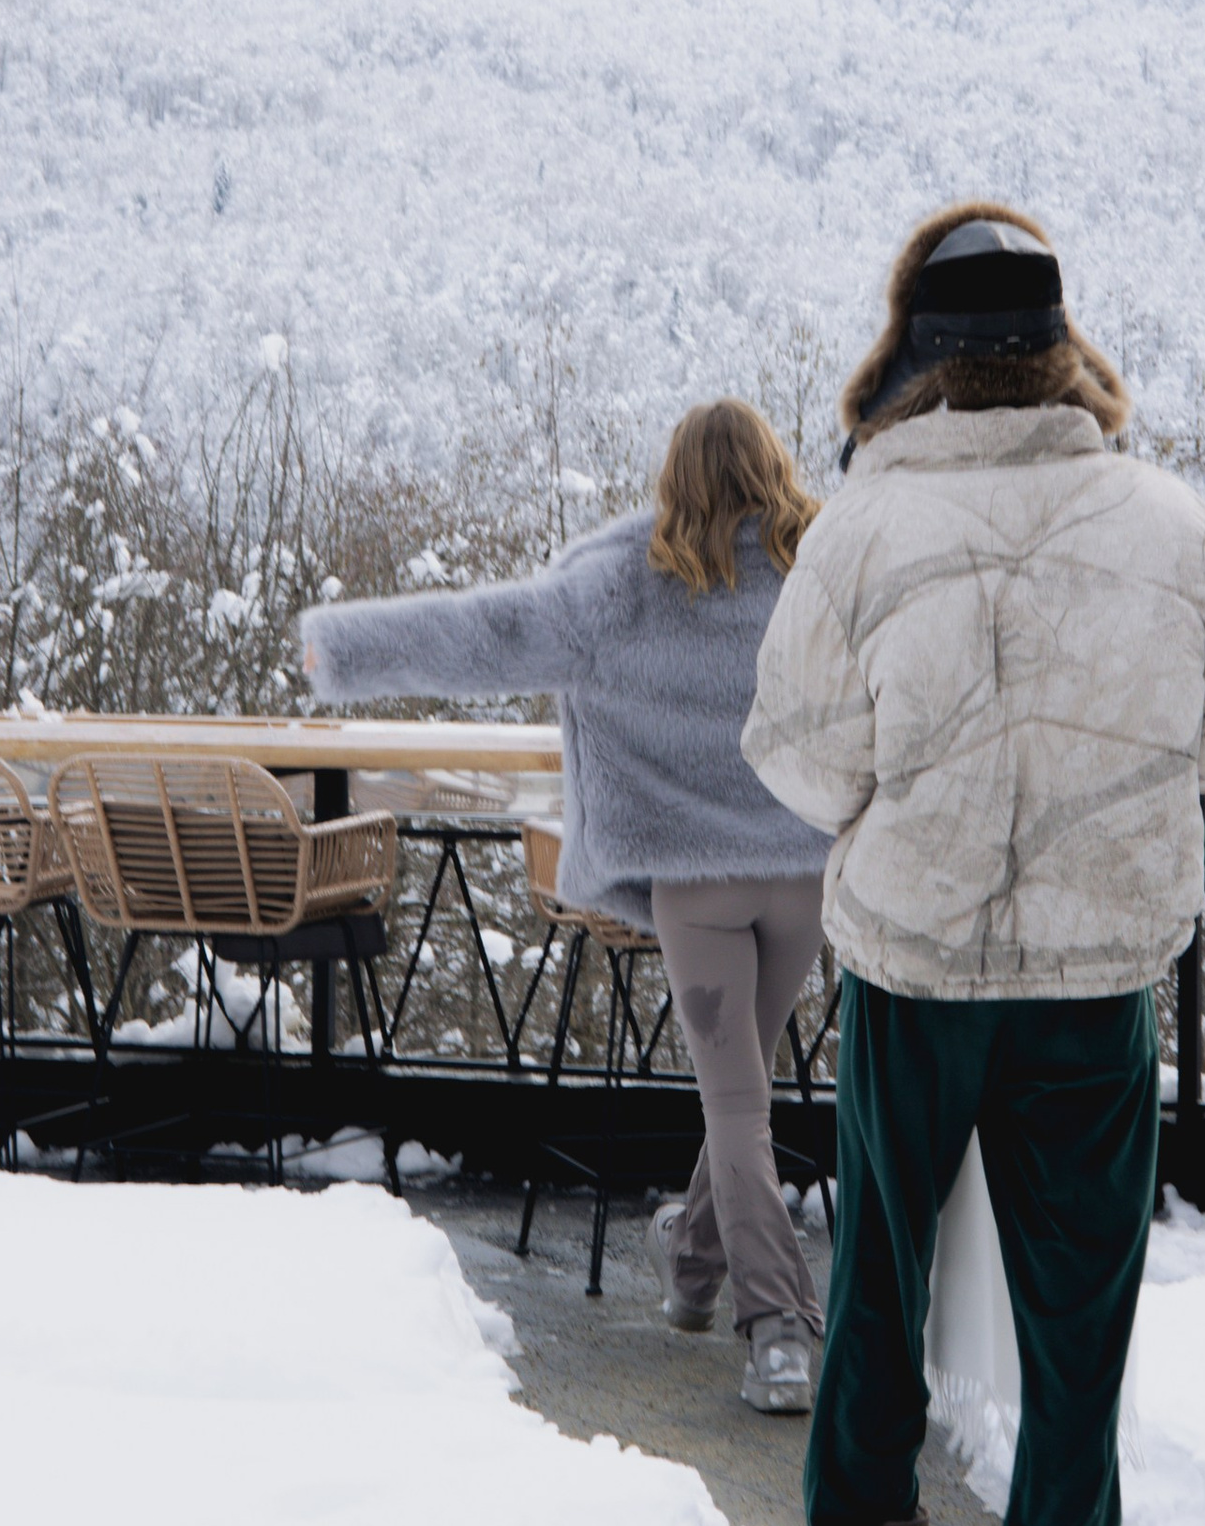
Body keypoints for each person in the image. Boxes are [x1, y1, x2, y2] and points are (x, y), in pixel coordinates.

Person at [741, 203, 1205, 1526]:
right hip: (1099, 971)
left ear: (911, 359)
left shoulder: (859, 530)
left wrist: (908, 802)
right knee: (1081, 1293)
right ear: (1066, 357)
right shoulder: (1169, 521)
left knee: (885, 1281)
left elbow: (793, 759)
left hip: (916, 965)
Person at [298, 400, 834, 1409]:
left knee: (737, 1105)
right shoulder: (826, 577)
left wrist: (340, 651)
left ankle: (778, 1331)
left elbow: (479, 633)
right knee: (744, 1096)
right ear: (775, 470)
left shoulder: (621, 588)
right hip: (802, 872)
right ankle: (690, 1258)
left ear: (672, 479)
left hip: (696, 884)